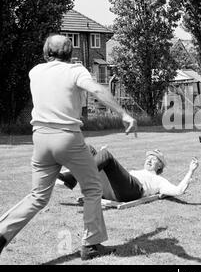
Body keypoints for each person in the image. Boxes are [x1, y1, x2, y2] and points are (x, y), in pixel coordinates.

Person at [0, 35, 137, 260]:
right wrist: (123, 114)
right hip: (67, 138)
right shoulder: (76, 71)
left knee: (38, 196)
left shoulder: (35, 71)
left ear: (46, 53)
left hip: (41, 139)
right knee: (93, 188)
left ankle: (2, 232)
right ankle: (91, 245)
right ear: (70, 53)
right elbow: (97, 90)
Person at [57, 147, 199, 202]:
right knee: (90, 150)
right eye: (148, 157)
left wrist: (190, 171)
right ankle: (71, 177)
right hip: (109, 191)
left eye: (154, 159)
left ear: (160, 166)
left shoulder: (159, 180)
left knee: (106, 154)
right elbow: (117, 175)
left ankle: (71, 178)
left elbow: (178, 191)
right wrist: (98, 158)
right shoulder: (136, 171)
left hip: (131, 191)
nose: (149, 159)